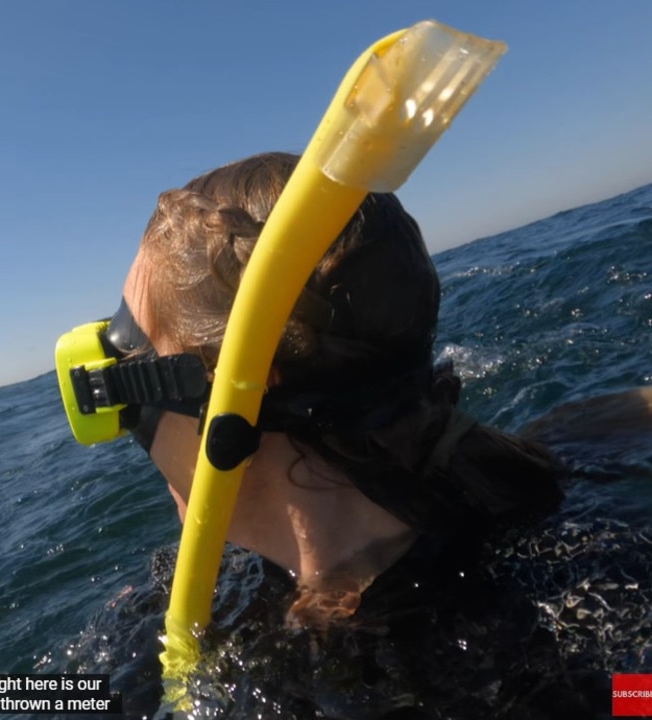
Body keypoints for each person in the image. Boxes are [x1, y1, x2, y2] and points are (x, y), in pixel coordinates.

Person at [54, 152, 637, 718]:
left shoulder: (561, 635)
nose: (123, 416)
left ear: (238, 394)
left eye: (123, 356)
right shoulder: (568, 444)